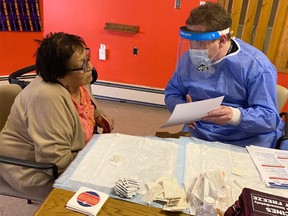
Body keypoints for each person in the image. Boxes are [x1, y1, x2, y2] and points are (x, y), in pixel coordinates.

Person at [0, 32, 114, 199]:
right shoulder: (46, 97)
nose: (89, 67)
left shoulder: (78, 80)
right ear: (61, 75)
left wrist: (98, 115)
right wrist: (97, 161)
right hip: (34, 169)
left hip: (75, 155)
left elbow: (86, 107)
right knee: (109, 193)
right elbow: (57, 162)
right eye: (83, 64)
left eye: (87, 58)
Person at [165, 2, 285, 149]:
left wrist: (234, 116)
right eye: (190, 41)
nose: (193, 48)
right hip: (201, 131)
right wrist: (183, 110)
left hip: (247, 138)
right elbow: (172, 93)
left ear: (221, 40)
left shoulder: (256, 67)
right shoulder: (188, 60)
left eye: (199, 42)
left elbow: (269, 117)